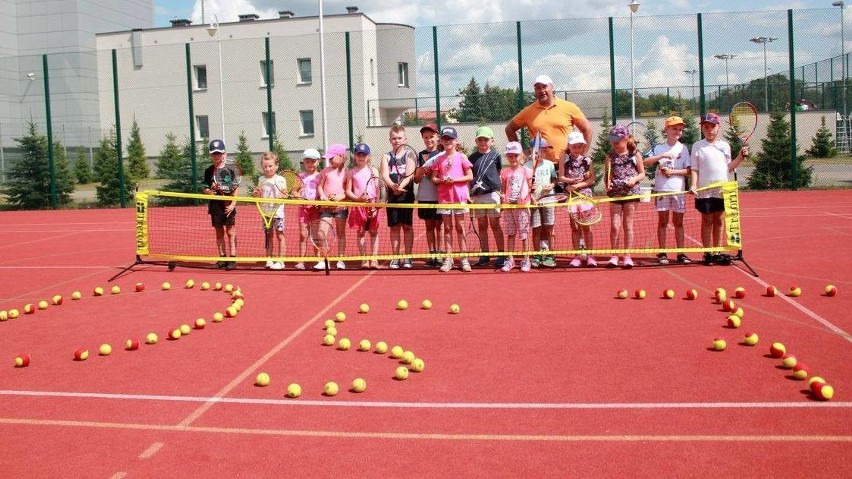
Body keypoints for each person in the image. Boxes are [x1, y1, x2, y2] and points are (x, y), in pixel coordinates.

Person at [689, 113, 747, 266]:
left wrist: (740, 157)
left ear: (718, 127)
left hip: (722, 190)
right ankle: (708, 253)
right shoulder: (697, 146)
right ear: (702, 128)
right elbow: (694, 169)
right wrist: (694, 185)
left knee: (719, 220)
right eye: (706, 127)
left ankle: (717, 251)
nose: (710, 130)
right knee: (707, 219)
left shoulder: (725, 146)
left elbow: (728, 168)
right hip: (704, 190)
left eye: (713, 126)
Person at [505, 74, 593, 162]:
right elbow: (509, 129)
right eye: (538, 88)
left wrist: (581, 156)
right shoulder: (528, 111)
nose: (541, 90)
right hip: (540, 166)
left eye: (544, 87)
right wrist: (521, 153)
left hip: (566, 164)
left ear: (552, 87)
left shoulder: (569, 107)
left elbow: (587, 129)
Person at [643, 116, 692, 265]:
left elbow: (688, 171)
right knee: (663, 221)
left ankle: (681, 253)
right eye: (674, 129)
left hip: (678, 190)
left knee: (679, 222)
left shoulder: (683, 148)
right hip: (662, 190)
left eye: (680, 129)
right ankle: (662, 252)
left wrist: (672, 172)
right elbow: (645, 162)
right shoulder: (658, 148)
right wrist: (661, 157)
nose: (677, 132)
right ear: (667, 130)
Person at [429, 126, 473, 272]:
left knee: (460, 228)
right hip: (444, 198)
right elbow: (434, 178)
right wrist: (443, 180)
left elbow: (470, 176)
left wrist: (454, 180)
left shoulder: (462, 157)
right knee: (447, 228)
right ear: (441, 141)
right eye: (445, 138)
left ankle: (464, 258)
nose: (448, 141)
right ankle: (448, 258)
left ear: (456, 141)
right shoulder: (439, 159)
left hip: (459, 197)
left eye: (450, 139)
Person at [604, 125, 646, 269]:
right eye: (612, 141)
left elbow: (642, 173)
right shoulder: (609, 156)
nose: (614, 144)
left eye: (617, 140)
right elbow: (607, 175)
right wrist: (607, 184)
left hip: (631, 193)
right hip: (615, 194)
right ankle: (614, 256)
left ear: (626, 138)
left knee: (628, 225)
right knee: (615, 226)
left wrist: (633, 180)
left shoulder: (635, 154)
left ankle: (627, 256)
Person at [468, 126, 506, 268]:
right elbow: (470, 177)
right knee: (482, 226)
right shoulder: (472, 157)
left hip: (492, 195)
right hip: (478, 196)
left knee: (495, 225)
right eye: (480, 139)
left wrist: (500, 192)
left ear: (492, 141)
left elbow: (498, 172)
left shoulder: (496, 155)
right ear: (476, 141)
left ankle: (501, 254)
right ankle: (485, 254)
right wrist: (469, 194)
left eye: (485, 139)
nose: (483, 142)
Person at [380, 126, 417, 269]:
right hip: (392, 196)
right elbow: (384, 174)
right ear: (390, 140)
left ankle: (408, 257)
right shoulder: (386, 156)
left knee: (407, 227)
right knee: (394, 227)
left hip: (406, 195)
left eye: (400, 138)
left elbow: (409, 174)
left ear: (405, 139)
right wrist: (392, 186)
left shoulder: (410, 155)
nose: (397, 141)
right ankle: (395, 258)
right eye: (394, 138)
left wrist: (400, 186)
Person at [558, 131, 597, 267]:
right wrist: (570, 182)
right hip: (571, 197)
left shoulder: (588, 160)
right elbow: (561, 177)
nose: (577, 149)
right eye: (574, 146)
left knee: (586, 227)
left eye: (579, 146)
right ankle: (577, 256)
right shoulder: (564, 158)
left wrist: (577, 185)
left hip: (585, 196)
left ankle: (590, 255)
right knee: (574, 227)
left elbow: (592, 179)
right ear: (569, 146)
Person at [201, 139, 238, 270]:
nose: (216, 156)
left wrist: (233, 204)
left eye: (219, 153)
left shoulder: (230, 170)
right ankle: (222, 258)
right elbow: (205, 187)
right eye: (213, 154)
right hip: (215, 207)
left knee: (230, 231)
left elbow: (235, 189)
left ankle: (232, 258)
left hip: (228, 207)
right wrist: (208, 191)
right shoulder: (208, 171)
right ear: (211, 155)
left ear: (224, 154)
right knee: (219, 232)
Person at [345, 143, 381, 269]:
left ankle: (374, 259)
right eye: (358, 154)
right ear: (354, 156)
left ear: (368, 156)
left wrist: (376, 206)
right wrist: (358, 199)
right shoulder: (351, 172)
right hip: (358, 205)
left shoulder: (374, 171)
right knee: (360, 233)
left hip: (372, 205)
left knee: (373, 232)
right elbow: (348, 191)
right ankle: (364, 259)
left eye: (364, 155)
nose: (361, 157)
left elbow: (377, 190)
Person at [500, 141, 534, 272]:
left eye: (515, 155)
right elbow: (503, 190)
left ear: (521, 156)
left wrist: (530, 193)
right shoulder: (505, 172)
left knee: (524, 234)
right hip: (509, 208)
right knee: (510, 234)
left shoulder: (527, 171)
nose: (512, 158)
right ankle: (510, 260)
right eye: (510, 155)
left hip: (522, 207)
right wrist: (503, 199)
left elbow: (530, 189)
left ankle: (526, 259)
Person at [413, 123, 444, 267]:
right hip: (425, 196)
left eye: (431, 136)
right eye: (426, 137)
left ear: (437, 137)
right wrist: (421, 171)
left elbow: (441, 177)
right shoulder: (420, 155)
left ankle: (441, 254)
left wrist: (432, 173)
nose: (429, 139)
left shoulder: (443, 154)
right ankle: (432, 253)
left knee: (441, 226)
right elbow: (417, 179)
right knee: (429, 226)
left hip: (440, 196)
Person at [525, 136, 557, 268]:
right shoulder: (527, 166)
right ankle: (537, 255)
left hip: (548, 199)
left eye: (544, 150)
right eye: (539, 150)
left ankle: (551, 255)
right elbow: (525, 185)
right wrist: (531, 195)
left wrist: (552, 186)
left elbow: (554, 180)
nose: (542, 153)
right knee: (536, 228)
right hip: (534, 201)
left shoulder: (549, 164)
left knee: (549, 227)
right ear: (532, 150)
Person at [316, 143, 349, 270]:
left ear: (341, 157)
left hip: (341, 208)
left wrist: (339, 198)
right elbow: (320, 186)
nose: (329, 160)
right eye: (328, 158)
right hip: (326, 208)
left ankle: (341, 260)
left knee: (341, 234)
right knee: (321, 233)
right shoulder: (325, 171)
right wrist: (323, 196)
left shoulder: (347, 172)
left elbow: (348, 191)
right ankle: (325, 259)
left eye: (332, 157)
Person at [252, 151, 288, 270]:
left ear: (276, 165)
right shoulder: (261, 179)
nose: (267, 169)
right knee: (268, 236)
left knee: (280, 236)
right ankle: (269, 258)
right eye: (265, 166)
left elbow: (285, 194)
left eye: (270, 166)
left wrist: (282, 196)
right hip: (265, 213)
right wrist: (256, 193)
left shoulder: (281, 179)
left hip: (278, 213)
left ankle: (281, 260)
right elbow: (258, 193)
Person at [294, 148, 322, 270]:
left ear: (318, 162)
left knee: (316, 236)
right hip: (303, 210)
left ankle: (318, 259)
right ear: (304, 163)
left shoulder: (321, 176)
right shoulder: (299, 177)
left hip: (316, 211)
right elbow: (294, 192)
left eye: (313, 161)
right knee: (303, 235)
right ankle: (302, 260)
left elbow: (322, 192)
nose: (310, 164)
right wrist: (300, 197)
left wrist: (318, 202)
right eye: (307, 161)